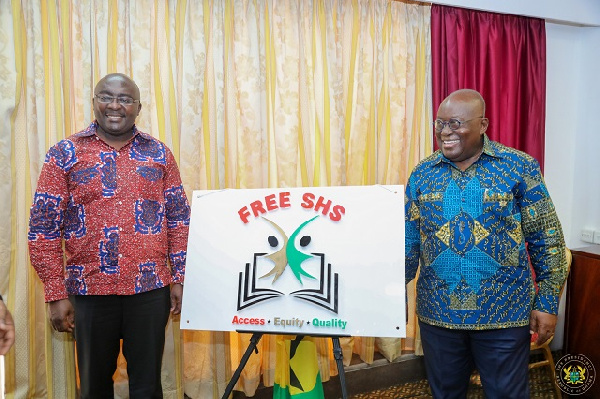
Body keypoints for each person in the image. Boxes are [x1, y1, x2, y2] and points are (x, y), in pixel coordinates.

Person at [28, 73, 190, 399]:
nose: (115, 105)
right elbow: (43, 227)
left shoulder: (159, 154)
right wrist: (55, 293)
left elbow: (178, 220)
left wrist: (180, 277)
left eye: (125, 99)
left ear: (138, 107)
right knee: (93, 387)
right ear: (94, 102)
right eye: (106, 96)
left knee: (147, 386)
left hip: (149, 290)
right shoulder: (64, 153)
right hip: (88, 291)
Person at [404, 89, 568, 398]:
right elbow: (408, 241)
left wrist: (546, 303)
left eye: (455, 123)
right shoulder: (422, 173)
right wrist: (392, 294)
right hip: (438, 314)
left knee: (507, 394)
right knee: (445, 393)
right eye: (439, 123)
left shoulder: (519, 167)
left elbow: (547, 239)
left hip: (504, 316)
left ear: (483, 125)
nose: (445, 132)